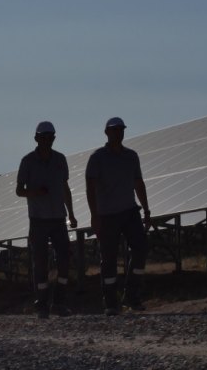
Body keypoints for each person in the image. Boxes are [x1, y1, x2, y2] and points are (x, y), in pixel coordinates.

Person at [86, 117, 152, 316]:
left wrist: (147, 210)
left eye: (121, 130)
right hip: (107, 215)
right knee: (109, 258)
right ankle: (111, 303)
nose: (119, 133)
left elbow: (138, 183)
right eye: (115, 130)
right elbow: (90, 188)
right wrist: (94, 215)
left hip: (130, 211)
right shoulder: (97, 158)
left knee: (140, 248)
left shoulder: (131, 156)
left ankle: (132, 296)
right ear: (106, 132)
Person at [16, 121, 78, 318]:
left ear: (54, 138)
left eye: (50, 137)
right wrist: (35, 192)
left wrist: (72, 213)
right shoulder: (27, 161)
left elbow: (65, 188)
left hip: (59, 218)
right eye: (43, 137)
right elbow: (19, 190)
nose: (46, 140)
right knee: (40, 262)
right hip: (38, 220)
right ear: (36, 138)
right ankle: (41, 304)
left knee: (64, 260)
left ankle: (59, 303)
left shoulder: (60, 160)